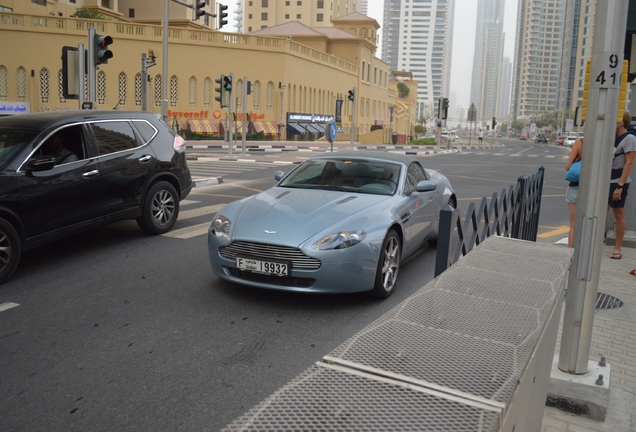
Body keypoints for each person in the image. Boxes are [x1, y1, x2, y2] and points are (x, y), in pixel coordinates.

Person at [608, 110, 636, 259]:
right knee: (599, 212)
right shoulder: (612, 137)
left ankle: (617, 247)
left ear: (621, 122)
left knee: (618, 213)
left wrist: (620, 185)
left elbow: (629, 163)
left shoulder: (630, 138)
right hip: (606, 180)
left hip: (618, 182)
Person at [565, 137, 583, 248]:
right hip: (593, 189)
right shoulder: (602, 142)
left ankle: (571, 254)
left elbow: (567, 166)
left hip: (575, 187)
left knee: (573, 225)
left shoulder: (580, 143)